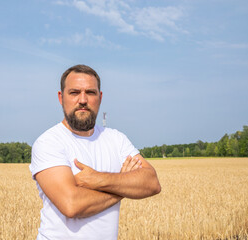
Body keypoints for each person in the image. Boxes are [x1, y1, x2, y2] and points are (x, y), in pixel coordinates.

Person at [30, 64, 161, 240]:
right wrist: (123, 185)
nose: (83, 100)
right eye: (74, 92)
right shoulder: (49, 142)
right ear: (61, 98)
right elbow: (72, 205)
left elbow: (151, 183)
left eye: (90, 92)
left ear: (100, 97)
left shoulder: (116, 139)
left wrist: (97, 179)